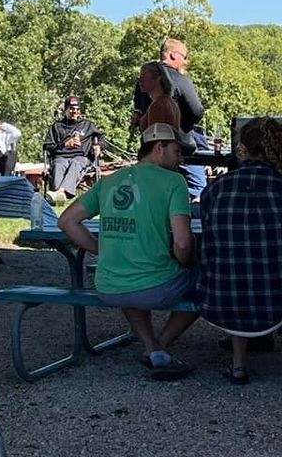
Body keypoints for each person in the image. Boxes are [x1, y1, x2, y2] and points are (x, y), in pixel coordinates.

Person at [60, 122, 198, 378]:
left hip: (109, 287)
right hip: (155, 287)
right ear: (159, 148)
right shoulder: (174, 182)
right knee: (205, 282)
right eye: (178, 151)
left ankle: (151, 347)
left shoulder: (110, 181)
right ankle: (161, 344)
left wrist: (101, 249)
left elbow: (66, 221)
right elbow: (182, 243)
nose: (181, 159)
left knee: (128, 277)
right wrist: (186, 262)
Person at [196, 117, 282, 385]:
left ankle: (238, 365)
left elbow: (209, 233)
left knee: (236, 266)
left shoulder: (214, 190)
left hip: (222, 294)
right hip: (280, 294)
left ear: (242, 148)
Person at [133, 38, 207, 195]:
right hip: (180, 146)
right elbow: (197, 112)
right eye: (184, 57)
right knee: (199, 189)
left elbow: (137, 111)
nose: (186, 62)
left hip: (149, 148)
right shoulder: (180, 80)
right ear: (173, 55)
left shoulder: (144, 80)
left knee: (152, 190)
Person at [43, 95, 104, 197]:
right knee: (58, 165)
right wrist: (64, 144)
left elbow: (102, 140)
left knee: (76, 163)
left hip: (82, 157)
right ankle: (59, 196)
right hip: (61, 157)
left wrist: (99, 146)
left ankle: (59, 193)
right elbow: (47, 146)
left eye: (77, 109)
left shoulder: (87, 125)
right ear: (65, 110)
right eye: (71, 109)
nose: (74, 112)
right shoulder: (56, 127)